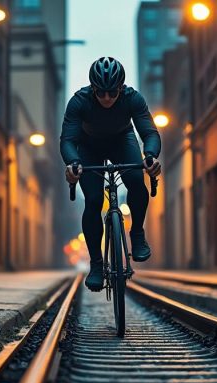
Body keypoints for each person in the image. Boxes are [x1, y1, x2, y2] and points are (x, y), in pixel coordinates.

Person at [60, 56, 162, 291]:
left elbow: (149, 132)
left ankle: (136, 233)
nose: (106, 98)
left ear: (121, 88)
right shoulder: (79, 102)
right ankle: (97, 264)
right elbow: (67, 140)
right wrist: (73, 164)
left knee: (137, 182)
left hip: (121, 141)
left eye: (112, 93)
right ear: (92, 89)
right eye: (101, 92)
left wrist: (150, 156)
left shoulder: (133, 98)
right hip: (88, 147)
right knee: (94, 200)